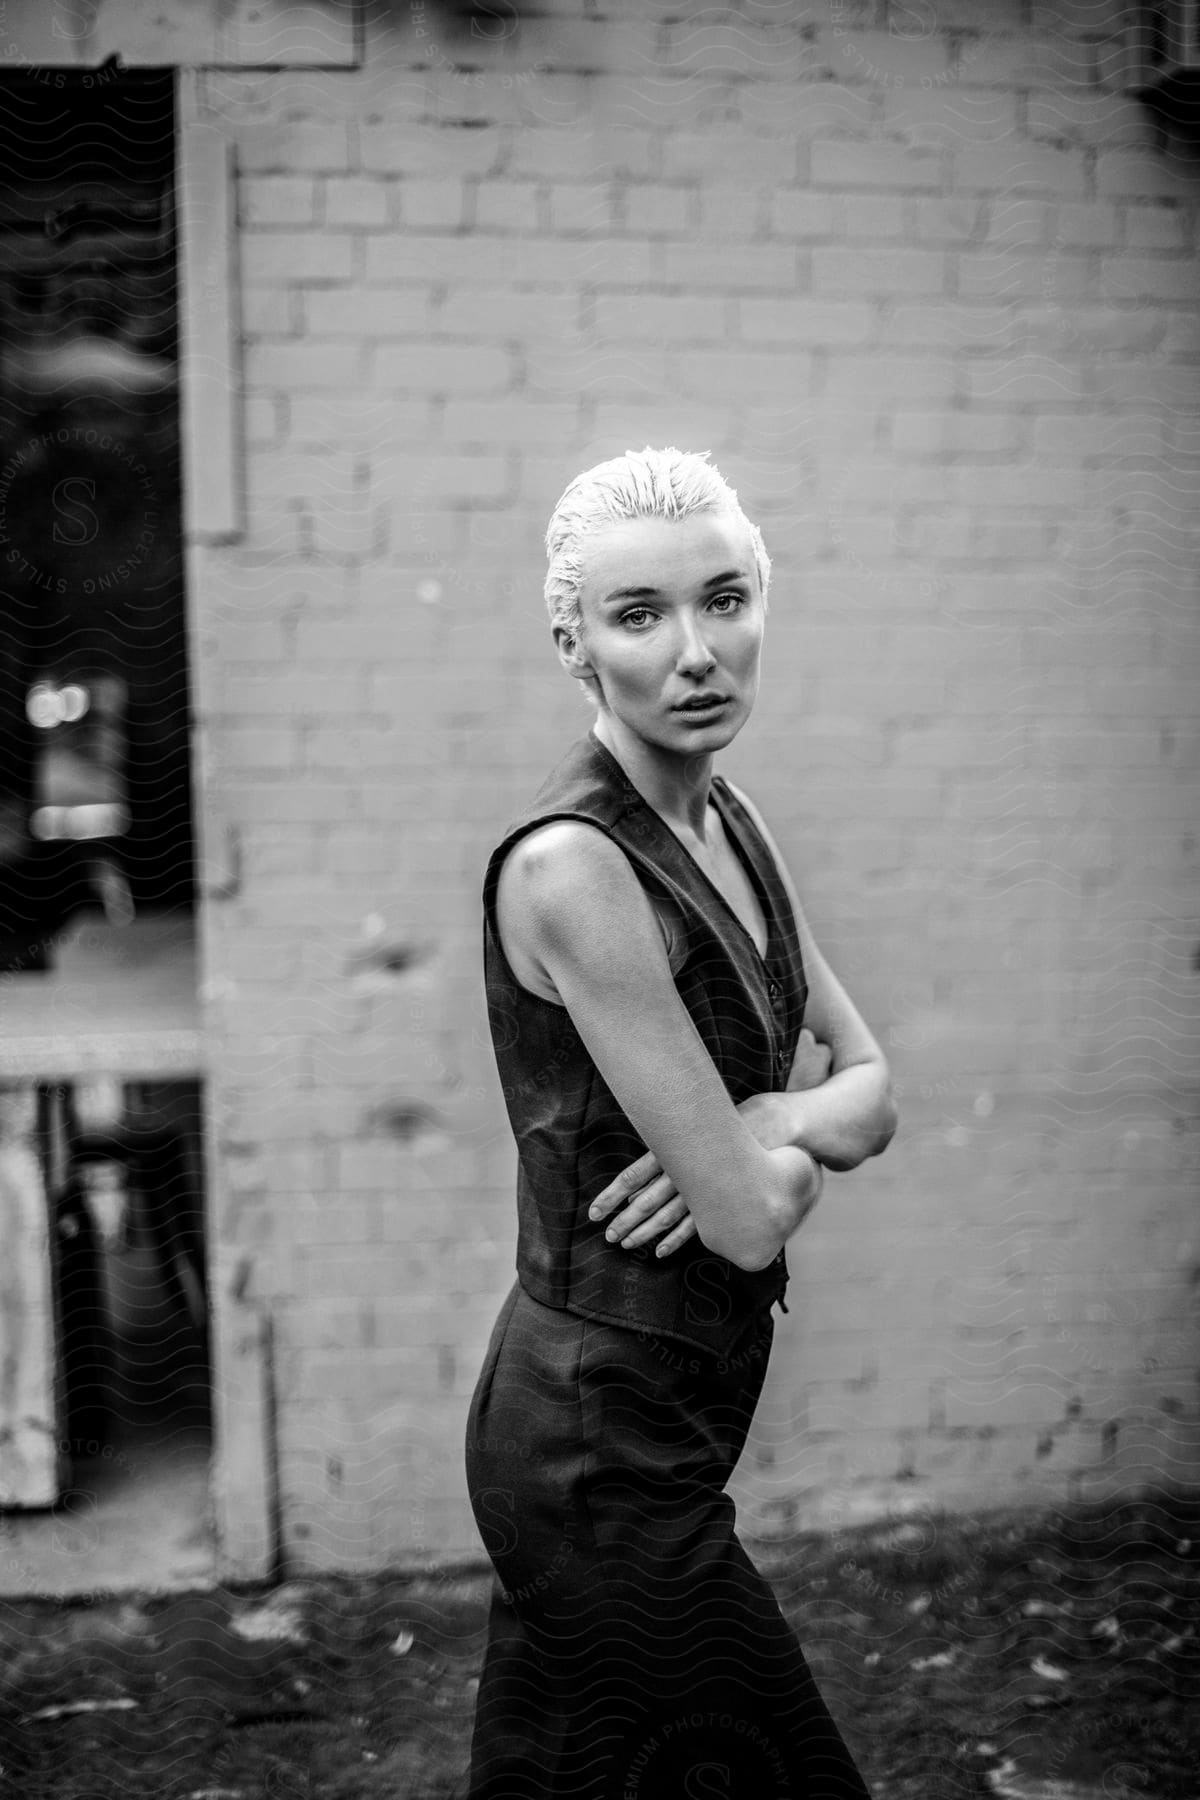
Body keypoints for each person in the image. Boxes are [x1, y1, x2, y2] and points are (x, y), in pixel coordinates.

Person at [465, 447, 897, 1799]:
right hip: (598, 1449)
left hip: (668, 1421)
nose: (697, 652)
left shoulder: (736, 822)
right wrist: (780, 1153)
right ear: (573, 645)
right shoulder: (572, 868)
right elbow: (747, 1216)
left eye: (725, 600)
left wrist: (764, 1110)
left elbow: (874, 1086)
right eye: (640, 616)